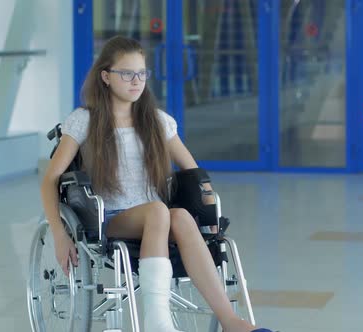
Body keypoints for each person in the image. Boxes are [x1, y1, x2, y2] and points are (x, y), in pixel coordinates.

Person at [40, 36, 272, 332]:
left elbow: (193, 172)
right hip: (107, 219)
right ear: (106, 77)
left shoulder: (158, 122)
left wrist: (210, 212)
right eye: (127, 73)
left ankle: (231, 322)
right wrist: (60, 235)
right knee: (159, 211)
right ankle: (158, 322)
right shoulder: (84, 120)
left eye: (142, 73)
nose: (136, 81)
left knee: (182, 216)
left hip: (155, 216)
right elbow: (50, 179)